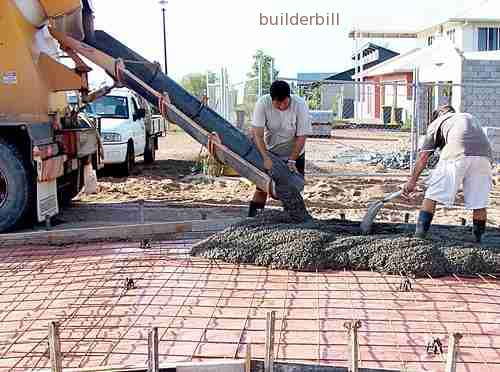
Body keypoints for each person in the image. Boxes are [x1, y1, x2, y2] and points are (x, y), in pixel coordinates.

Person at [403, 105, 494, 242]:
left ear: (438, 115)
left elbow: (423, 158)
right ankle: (478, 240)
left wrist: (412, 181)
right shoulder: (467, 117)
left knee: (432, 195)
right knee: (479, 202)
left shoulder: (437, 123)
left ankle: (419, 236)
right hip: (484, 157)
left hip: (456, 155)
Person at [248, 80, 313, 217]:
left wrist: (292, 160)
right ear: (272, 99)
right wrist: (265, 158)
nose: (282, 106)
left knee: (293, 189)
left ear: (289, 97)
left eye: (285, 102)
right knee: (262, 187)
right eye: (278, 103)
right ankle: (253, 217)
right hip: (271, 152)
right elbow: (257, 135)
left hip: (295, 152)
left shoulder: (300, 105)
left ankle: (294, 219)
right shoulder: (262, 103)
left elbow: (302, 136)